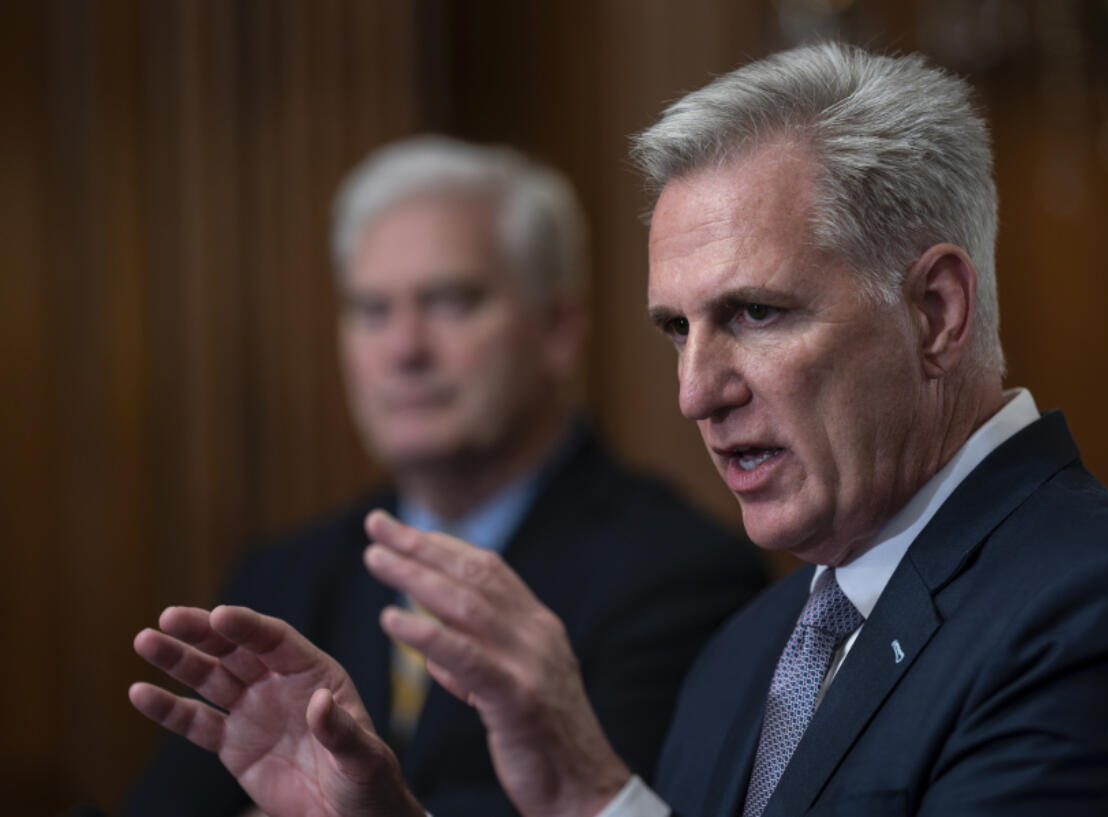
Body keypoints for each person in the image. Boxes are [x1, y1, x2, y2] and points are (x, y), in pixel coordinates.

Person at [129, 43, 1108, 817]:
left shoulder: (1104, 613)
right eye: (674, 329)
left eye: (754, 313)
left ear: (934, 311)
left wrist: (589, 798)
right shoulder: (748, 655)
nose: (696, 390)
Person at [122, 136, 767, 817]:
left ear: (558, 329)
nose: (404, 348)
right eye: (372, 310)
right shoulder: (281, 576)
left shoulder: (682, 574)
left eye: (450, 302)